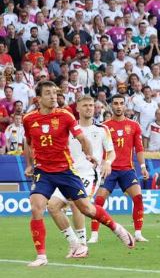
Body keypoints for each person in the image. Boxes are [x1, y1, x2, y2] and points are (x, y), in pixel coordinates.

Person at [22, 81, 133, 267]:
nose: (53, 96)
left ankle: (117, 228)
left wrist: (89, 154)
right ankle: (43, 255)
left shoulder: (65, 116)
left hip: (66, 171)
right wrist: (29, 164)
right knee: (37, 208)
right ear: (38, 98)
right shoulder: (28, 119)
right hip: (43, 171)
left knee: (86, 209)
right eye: (48, 93)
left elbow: (81, 137)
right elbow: (28, 141)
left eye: (55, 93)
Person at [47, 95, 116, 258]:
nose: (89, 108)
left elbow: (111, 152)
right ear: (77, 108)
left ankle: (82, 245)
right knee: (52, 206)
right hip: (69, 173)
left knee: (75, 202)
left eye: (91, 105)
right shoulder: (69, 128)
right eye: (85, 105)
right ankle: (74, 243)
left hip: (89, 174)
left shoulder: (102, 129)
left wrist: (108, 162)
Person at [90, 95, 149, 243]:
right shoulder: (104, 127)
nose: (118, 106)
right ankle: (94, 234)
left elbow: (139, 148)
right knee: (99, 201)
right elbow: (97, 148)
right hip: (109, 169)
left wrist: (142, 167)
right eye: (115, 103)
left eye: (121, 104)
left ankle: (138, 233)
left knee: (138, 197)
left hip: (127, 169)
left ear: (125, 106)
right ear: (111, 106)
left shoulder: (134, 126)